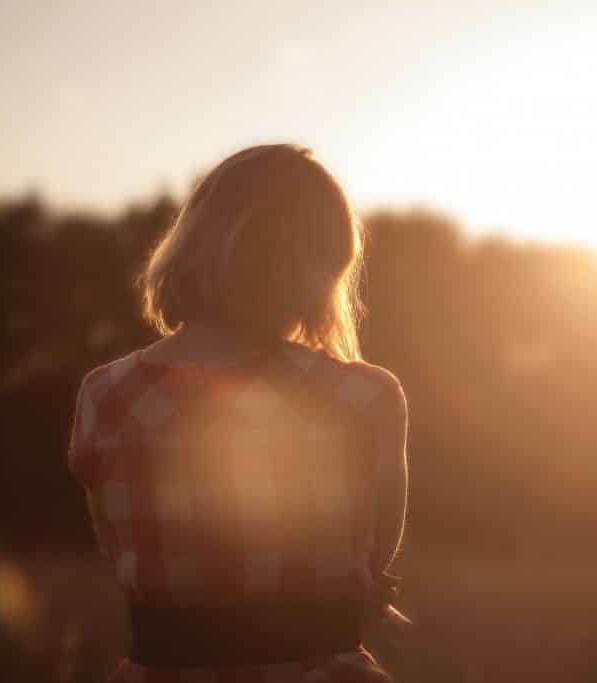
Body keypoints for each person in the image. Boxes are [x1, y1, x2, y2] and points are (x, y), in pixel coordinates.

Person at [67, 144, 410, 682]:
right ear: (321, 268)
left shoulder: (107, 395)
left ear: (193, 242)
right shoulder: (365, 399)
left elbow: (121, 551)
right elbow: (373, 555)